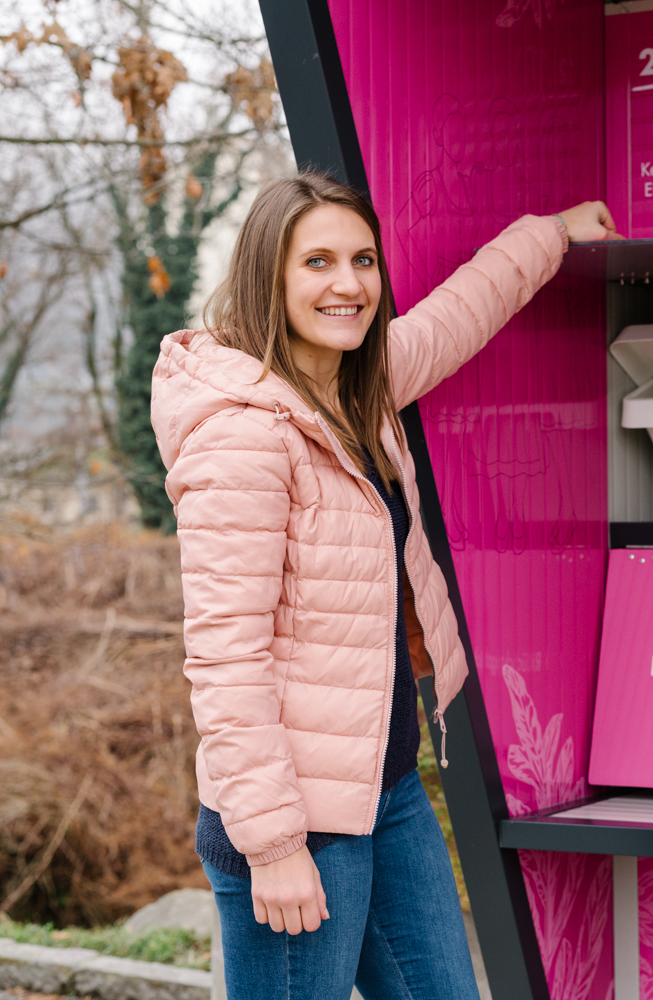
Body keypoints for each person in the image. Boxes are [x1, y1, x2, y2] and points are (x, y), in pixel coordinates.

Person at [150, 172, 618, 999]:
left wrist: (554, 231)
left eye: (363, 260)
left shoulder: (350, 391)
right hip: (295, 818)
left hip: (384, 789)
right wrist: (273, 846)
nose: (349, 284)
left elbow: (452, 318)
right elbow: (226, 658)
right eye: (318, 262)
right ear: (268, 277)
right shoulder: (244, 436)